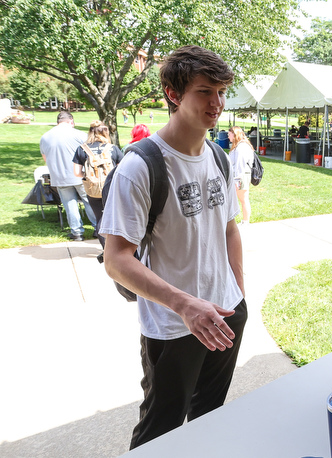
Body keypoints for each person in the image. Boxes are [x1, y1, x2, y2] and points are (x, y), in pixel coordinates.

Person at [101, 45, 246, 449]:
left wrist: (238, 289)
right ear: (172, 93)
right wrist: (185, 305)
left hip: (227, 312)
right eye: (204, 91)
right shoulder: (141, 166)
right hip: (173, 325)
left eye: (221, 91)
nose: (216, 103)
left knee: (209, 418)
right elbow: (116, 260)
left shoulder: (219, 156)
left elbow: (230, 228)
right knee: (159, 432)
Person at [39, 111, 97, 241]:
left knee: (69, 204)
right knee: (89, 201)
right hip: (81, 175)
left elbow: (45, 158)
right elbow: (91, 155)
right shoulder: (79, 134)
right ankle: (98, 229)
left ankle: (76, 232)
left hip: (59, 176)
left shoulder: (45, 137)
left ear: (58, 122)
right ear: (71, 121)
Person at [72, 120, 124, 250]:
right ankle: (117, 249)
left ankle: (105, 249)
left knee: (100, 218)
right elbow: (122, 169)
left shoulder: (82, 149)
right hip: (111, 189)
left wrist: (90, 176)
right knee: (115, 217)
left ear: (90, 132)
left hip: (93, 190)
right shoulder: (112, 149)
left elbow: (77, 173)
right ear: (105, 132)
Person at [227, 126, 254, 225]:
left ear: (234, 134)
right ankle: (245, 220)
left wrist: (236, 180)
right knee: (243, 199)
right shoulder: (239, 145)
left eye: (229, 134)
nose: (228, 136)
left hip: (241, 175)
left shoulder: (241, 147)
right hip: (241, 174)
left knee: (243, 199)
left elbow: (240, 165)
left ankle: (245, 221)